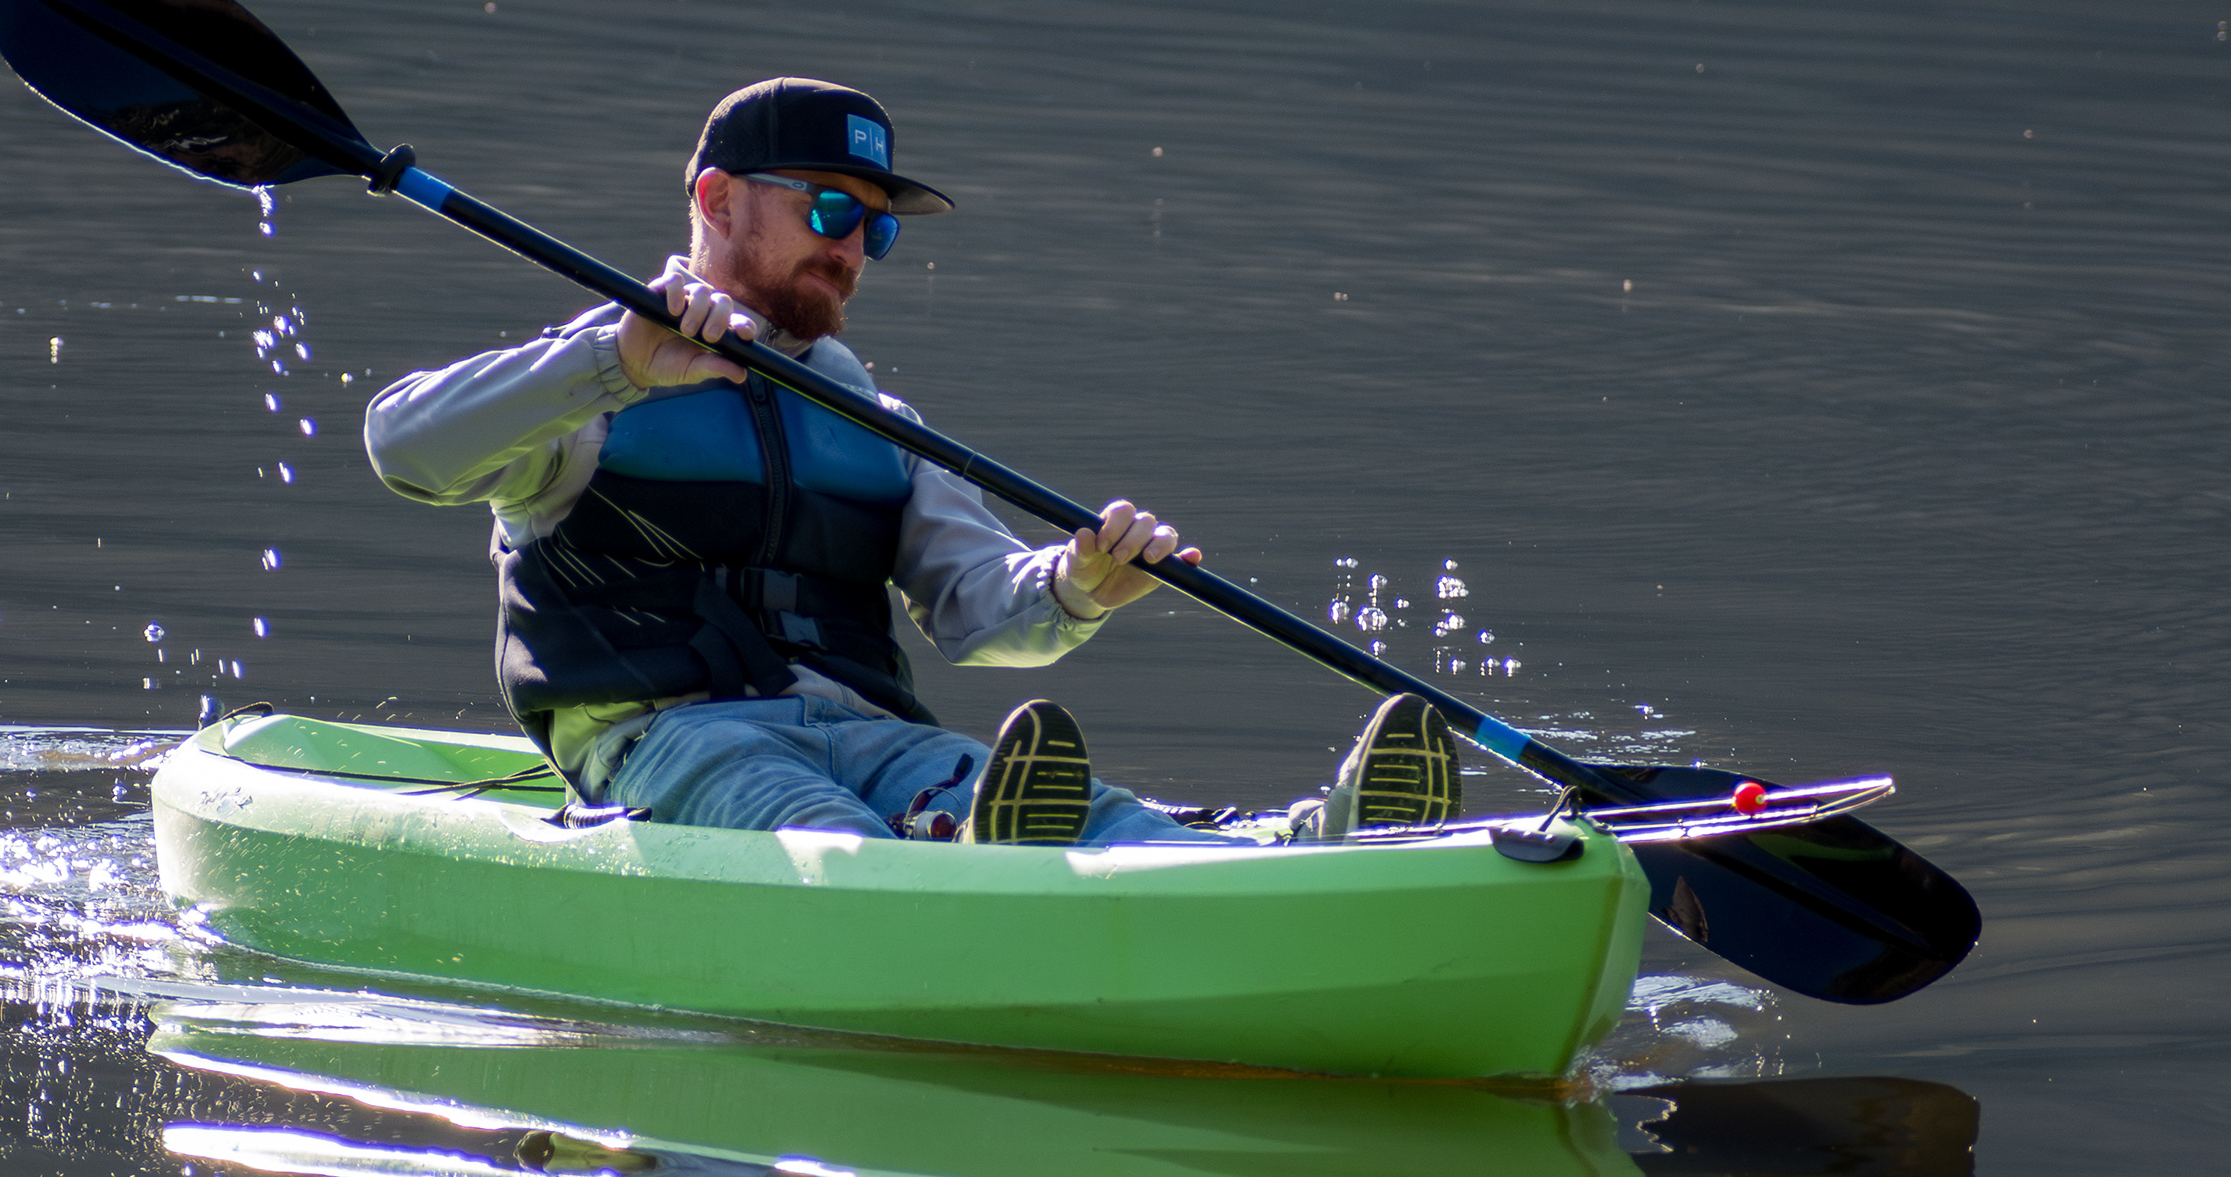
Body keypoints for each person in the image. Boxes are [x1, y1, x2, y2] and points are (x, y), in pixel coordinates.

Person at [360, 77, 1460, 847]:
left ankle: (1317, 848)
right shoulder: (592, 379)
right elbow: (403, 446)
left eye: (875, 228)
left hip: (870, 735)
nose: (851, 246)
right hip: (668, 746)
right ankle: (954, 868)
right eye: (830, 207)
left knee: (1086, 812)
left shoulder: (881, 421)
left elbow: (983, 611)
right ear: (717, 200)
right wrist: (616, 360)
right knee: (828, 839)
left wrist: (1076, 587)